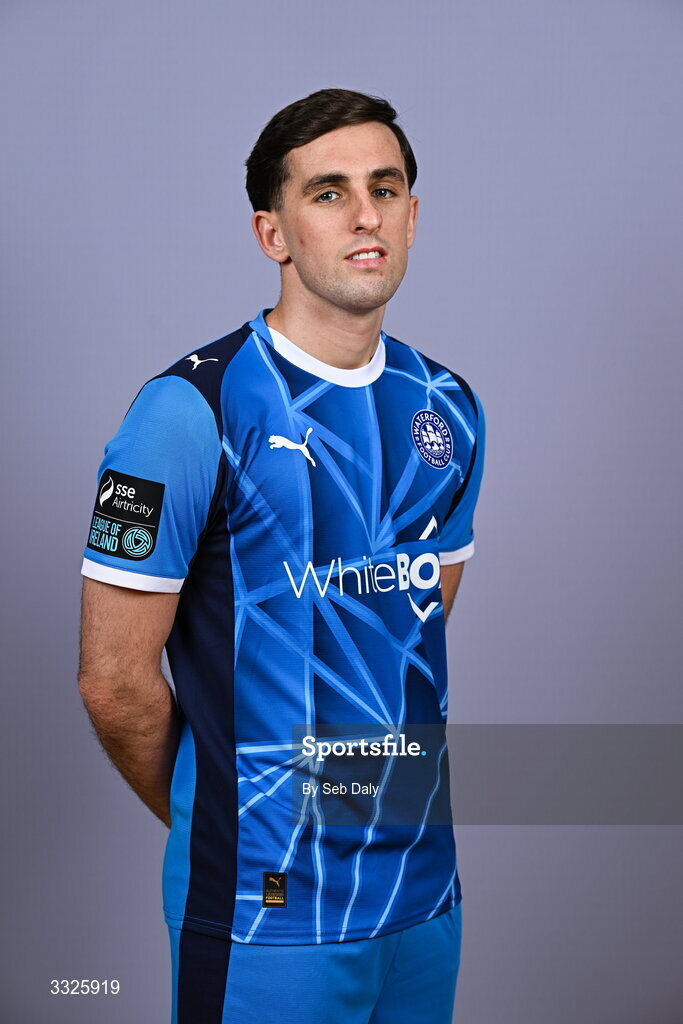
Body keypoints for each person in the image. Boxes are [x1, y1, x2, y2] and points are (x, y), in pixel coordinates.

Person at [78, 87, 486, 1024]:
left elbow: (405, 633)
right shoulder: (185, 413)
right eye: (328, 192)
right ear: (274, 234)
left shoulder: (448, 407)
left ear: (413, 217)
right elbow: (112, 681)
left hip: (423, 895)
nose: (365, 213)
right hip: (265, 910)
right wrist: (216, 810)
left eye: (385, 188)